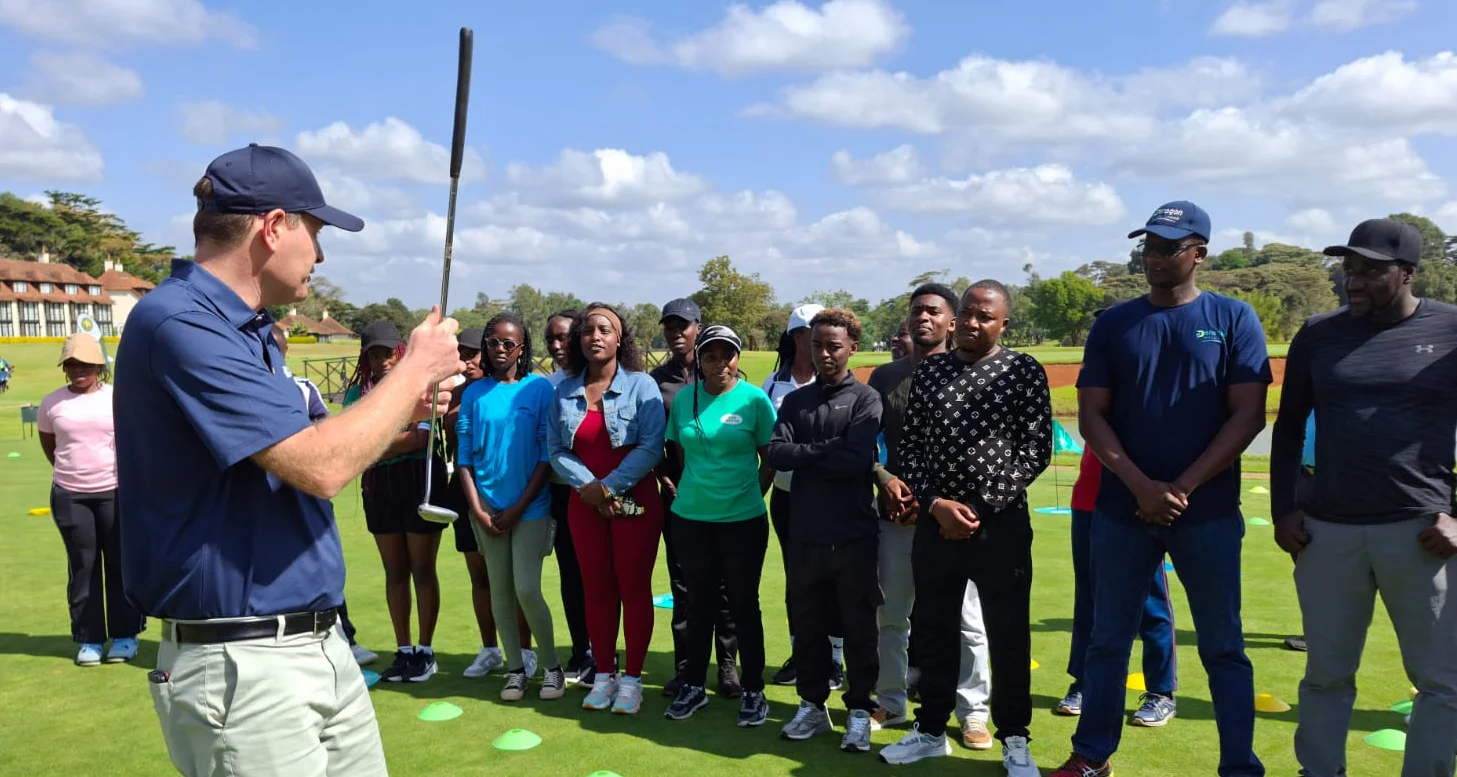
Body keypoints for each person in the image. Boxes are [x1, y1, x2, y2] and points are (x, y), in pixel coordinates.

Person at [115, 143, 463, 776]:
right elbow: (320, 467)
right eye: (317, 232)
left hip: (315, 644)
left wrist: (399, 413)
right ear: (275, 227)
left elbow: (310, 450)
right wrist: (414, 368)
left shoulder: (244, 330)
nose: (321, 255)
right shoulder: (179, 323)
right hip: (243, 664)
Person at [1052, 202, 1269, 777]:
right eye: (1147, 244)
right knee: (1107, 643)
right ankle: (1092, 757)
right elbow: (1092, 416)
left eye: (1167, 246)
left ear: (1199, 252)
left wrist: (1184, 487)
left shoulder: (1233, 318)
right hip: (1123, 511)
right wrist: (1141, 485)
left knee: (1224, 647)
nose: (1153, 256)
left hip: (1209, 512)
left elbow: (1248, 415)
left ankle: (1239, 766)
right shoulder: (1114, 323)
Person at [1271, 218, 1457, 777]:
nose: (1353, 280)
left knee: (1442, 682)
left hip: (1422, 531)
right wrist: (1284, 509)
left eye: (1369, 270)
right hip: (1328, 531)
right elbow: (1288, 424)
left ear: (1406, 273)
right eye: (1348, 269)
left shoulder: (1451, 330)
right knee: (1326, 675)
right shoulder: (1319, 332)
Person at [878, 281, 1051, 777]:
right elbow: (909, 450)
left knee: (1007, 634)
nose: (974, 324)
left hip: (1001, 528)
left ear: (1003, 323)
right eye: (969, 314)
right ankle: (931, 731)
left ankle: (1015, 737)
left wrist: (974, 509)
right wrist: (935, 505)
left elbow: (1034, 449)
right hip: (936, 525)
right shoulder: (930, 371)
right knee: (932, 630)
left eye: (986, 317)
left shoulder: (1021, 370)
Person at [867, 284, 995, 751]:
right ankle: (891, 698)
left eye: (934, 311)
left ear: (953, 320)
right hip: (896, 517)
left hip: (952, 520)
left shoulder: (972, 373)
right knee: (892, 616)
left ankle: (974, 712)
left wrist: (946, 502)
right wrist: (884, 479)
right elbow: (865, 446)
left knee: (967, 622)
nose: (924, 318)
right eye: (917, 310)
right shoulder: (884, 377)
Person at [766, 308, 883, 753]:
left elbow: (857, 460)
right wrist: (827, 449)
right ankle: (812, 706)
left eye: (834, 345)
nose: (825, 353)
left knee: (858, 628)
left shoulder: (865, 399)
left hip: (853, 534)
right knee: (809, 625)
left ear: (852, 347)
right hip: (806, 533)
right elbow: (778, 453)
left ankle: (858, 710)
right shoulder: (796, 401)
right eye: (817, 345)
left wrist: (808, 453)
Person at [548, 303, 666, 715]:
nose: (595, 336)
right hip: (585, 504)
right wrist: (590, 488)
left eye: (605, 329)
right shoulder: (562, 389)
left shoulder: (642, 386)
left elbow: (652, 446)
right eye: (587, 330)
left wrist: (609, 487)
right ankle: (603, 675)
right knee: (595, 591)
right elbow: (556, 448)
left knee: (633, 589)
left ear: (620, 339)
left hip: (634, 502)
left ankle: (632, 680)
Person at [661, 324, 776, 726]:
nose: (719, 363)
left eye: (727, 355)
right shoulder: (683, 401)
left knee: (744, 605)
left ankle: (754, 689)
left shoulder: (755, 401)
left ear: (738, 358)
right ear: (699, 359)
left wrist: (749, 495)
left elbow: (770, 457)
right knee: (698, 604)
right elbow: (678, 453)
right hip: (691, 520)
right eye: (710, 355)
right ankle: (694, 685)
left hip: (743, 521)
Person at [457, 313, 566, 701]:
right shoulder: (473, 393)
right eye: (493, 342)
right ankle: (516, 669)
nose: (499, 350)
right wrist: (479, 510)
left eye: (508, 343)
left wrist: (519, 506)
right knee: (500, 592)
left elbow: (544, 454)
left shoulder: (538, 390)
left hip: (530, 506)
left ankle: (553, 668)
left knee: (526, 588)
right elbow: (465, 459)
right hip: (485, 508)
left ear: (522, 348)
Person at [344, 321, 450, 683]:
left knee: (422, 568)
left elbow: (417, 441)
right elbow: (352, 449)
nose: (382, 359)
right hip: (380, 487)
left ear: (400, 351)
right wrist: (376, 443)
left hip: (420, 480)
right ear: (366, 355)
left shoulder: (421, 388)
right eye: (374, 352)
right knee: (394, 570)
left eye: (388, 351)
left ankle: (426, 651)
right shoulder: (357, 393)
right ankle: (404, 651)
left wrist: (372, 441)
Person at [272, 323, 377, 667]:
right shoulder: (248, 389)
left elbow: (324, 434)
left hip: (308, 498)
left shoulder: (303, 388)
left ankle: (345, 637)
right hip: (265, 504)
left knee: (322, 570)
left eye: (277, 348)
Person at [651, 298, 739, 699]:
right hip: (679, 499)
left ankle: (727, 665)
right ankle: (687, 667)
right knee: (684, 586)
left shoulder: (724, 373)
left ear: (698, 327)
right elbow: (652, 441)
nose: (676, 333)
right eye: (670, 326)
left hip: (724, 501)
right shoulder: (657, 381)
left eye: (683, 325)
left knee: (724, 585)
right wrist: (664, 478)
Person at [39, 333, 144, 667]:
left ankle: (126, 636)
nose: (78, 369)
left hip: (114, 491)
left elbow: (133, 442)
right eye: (71, 364)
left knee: (118, 563)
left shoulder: (118, 398)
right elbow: (51, 446)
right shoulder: (51, 403)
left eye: (85, 364)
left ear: (99, 366)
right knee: (83, 567)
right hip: (71, 495)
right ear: (65, 368)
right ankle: (90, 640)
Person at [1060, 445, 1178, 722]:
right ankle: (1084, 682)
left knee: (1150, 600)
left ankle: (1161, 691)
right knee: (1089, 597)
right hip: (1090, 497)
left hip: (1141, 501)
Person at [445, 327, 537, 681]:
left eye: (472, 354)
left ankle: (525, 651)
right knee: (480, 578)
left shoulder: (508, 393)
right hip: (467, 492)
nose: (467, 360)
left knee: (515, 581)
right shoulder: (456, 394)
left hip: (508, 492)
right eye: (463, 354)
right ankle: (489, 650)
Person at [763, 302, 845, 689]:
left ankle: (835, 658)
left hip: (833, 498)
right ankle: (802, 652)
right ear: (796, 337)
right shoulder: (772, 384)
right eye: (809, 333)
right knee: (799, 578)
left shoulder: (840, 381)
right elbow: (770, 449)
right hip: (787, 496)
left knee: (835, 579)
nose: (818, 342)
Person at [544, 309, 595, 683]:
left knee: (602, 576)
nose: (558, 346)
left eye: (564, 337)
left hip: (604, 492)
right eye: (551, 339)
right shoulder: (548, 385)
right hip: (563, 493)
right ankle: (582, 650)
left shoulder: (600, 378)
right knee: (571, 575)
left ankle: (603, 650)